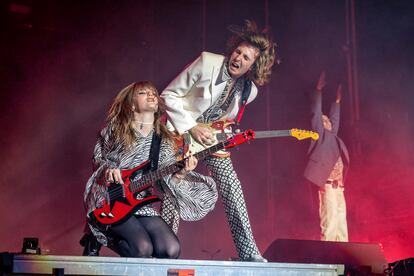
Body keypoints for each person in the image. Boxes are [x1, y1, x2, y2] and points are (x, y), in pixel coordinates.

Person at [161, 20, 277, 262]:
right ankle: (164, 253)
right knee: (175, 188)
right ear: (232, 49)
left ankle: (248, 252)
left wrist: (229, 134)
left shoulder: (249, 92)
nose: (239, 59)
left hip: (210, 142)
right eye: (238, 52)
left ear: (254, 66)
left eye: (247, 58)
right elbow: (168, 95)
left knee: (233, 188)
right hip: (179, 133)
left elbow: (223, 122)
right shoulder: (207, 62)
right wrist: (191, 128)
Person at [82, 81, 218, 258]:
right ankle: (95, 236)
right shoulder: (115, 129)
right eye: (143, 93)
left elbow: (163, 180)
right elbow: (98, 159)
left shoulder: (163, 140)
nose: (151, 95)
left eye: (153, 92)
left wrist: (181, 173)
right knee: (142, 249)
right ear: (131, 104)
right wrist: (109, 169)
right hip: (109, 197)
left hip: (139, 201)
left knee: (170, 250)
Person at [304, 72, 350, 242]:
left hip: (340, 188)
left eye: (327, 121)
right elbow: (316, 114)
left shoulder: (334, 138)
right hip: (328, 186)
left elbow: (335, 119)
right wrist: (318, 91)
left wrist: (337, 101)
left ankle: (345, 260)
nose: (327, 122)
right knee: (330, 225)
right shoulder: (320, 136)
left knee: (342, 227)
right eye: (323, 121)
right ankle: (329, 259)